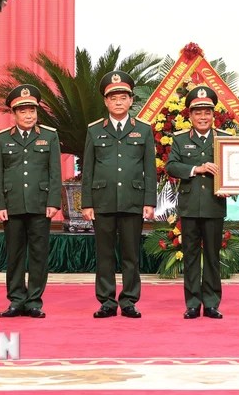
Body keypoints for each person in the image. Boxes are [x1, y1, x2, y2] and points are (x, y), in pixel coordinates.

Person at [81, 71, 156, 318]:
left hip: (133, 202)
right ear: (105, 101)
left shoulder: (143, 130)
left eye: (123, 97)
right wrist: (87, 203)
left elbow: (149, 169)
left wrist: (149, 201)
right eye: (113, 98)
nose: (118, 102)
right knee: (103, 254)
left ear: (131, 100)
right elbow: (88, 170)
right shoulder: (94, 131)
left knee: (131, 254)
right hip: (102, 202)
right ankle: (106, 301)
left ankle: (129, 301)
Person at [0, 85, 62, 319]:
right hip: (12, 205)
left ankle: (34, 301)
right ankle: (16, 300)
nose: (28, 115)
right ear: (14, 114)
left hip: (40, 204)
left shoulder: (49, 136)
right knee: (14, 254)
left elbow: (54, 172)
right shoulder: (3, 139)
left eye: (32, 110)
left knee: (39, 254)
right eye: (23, 111)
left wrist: (53, 202)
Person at [165, 86, 230, 319]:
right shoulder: (180, 140)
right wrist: (197, 168)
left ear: (214, 115)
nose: (203, 117)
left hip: (214, 206)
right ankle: (192, 303)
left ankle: (211, 303)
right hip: (190, 206)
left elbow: (234, 170)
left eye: (207, 113)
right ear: (190, 116)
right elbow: (171, 166)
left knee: (212, 256)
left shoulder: (225, 139)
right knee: (191, 256)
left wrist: (231, 188)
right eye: (198, 113)